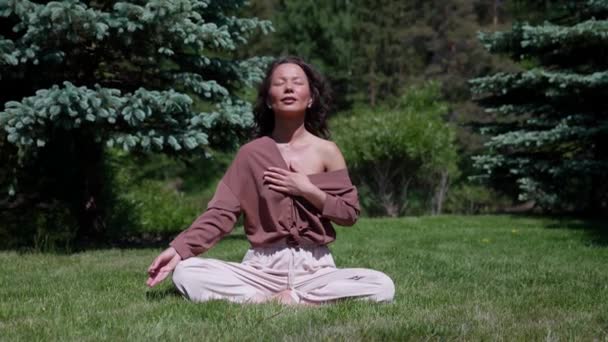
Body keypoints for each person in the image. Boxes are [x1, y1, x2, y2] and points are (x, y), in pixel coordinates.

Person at [146, 56, 395, 305]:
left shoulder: (327, 151)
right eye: (280, 83)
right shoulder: (250, 154)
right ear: (268, 99)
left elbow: (349, 213)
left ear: (310, 98)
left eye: (297, 82)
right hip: (260, 269)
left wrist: (307, 189)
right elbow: (221, 214)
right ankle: (267, 300)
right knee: (186, 273)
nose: (288, 87)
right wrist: (179, 249)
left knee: (382, 285)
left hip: (316, 269)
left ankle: (293, 299)